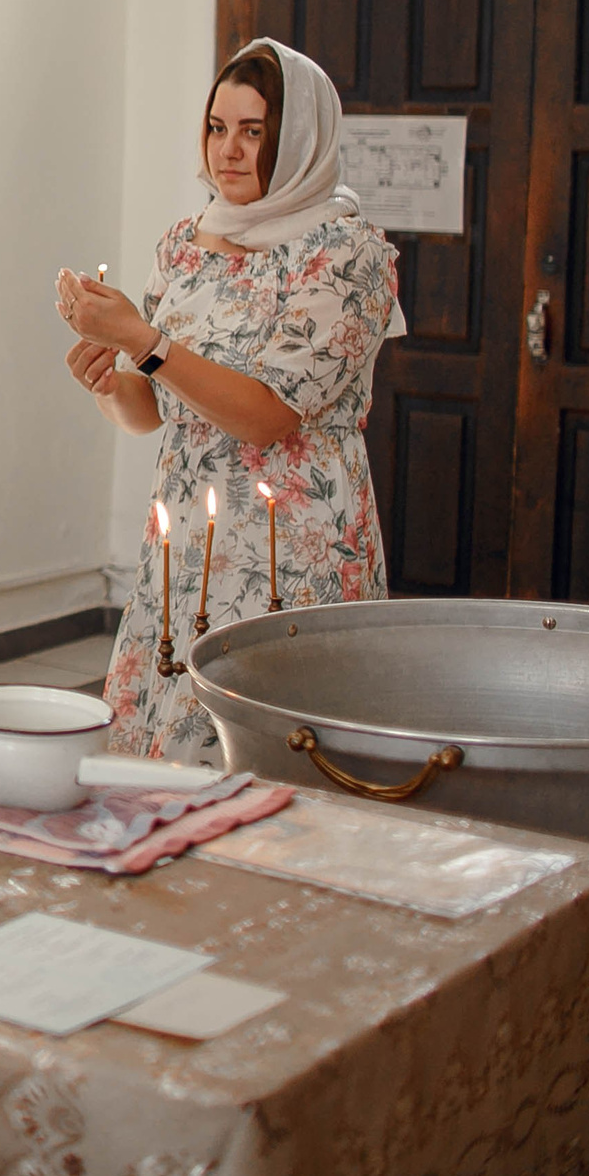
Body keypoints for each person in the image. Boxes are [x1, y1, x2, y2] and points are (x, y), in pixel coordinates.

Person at [56, 38, 403, 762]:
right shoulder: (186, 243)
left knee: (274, 756)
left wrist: (143, 339)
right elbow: (153, 410)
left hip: (292, 542)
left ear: (300, 139)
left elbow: (266, 415)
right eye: (218, 127)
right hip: (189, 539)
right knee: (167, 755)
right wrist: (107, 382)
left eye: (254, 131)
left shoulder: (346, 254)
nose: (230, 150)